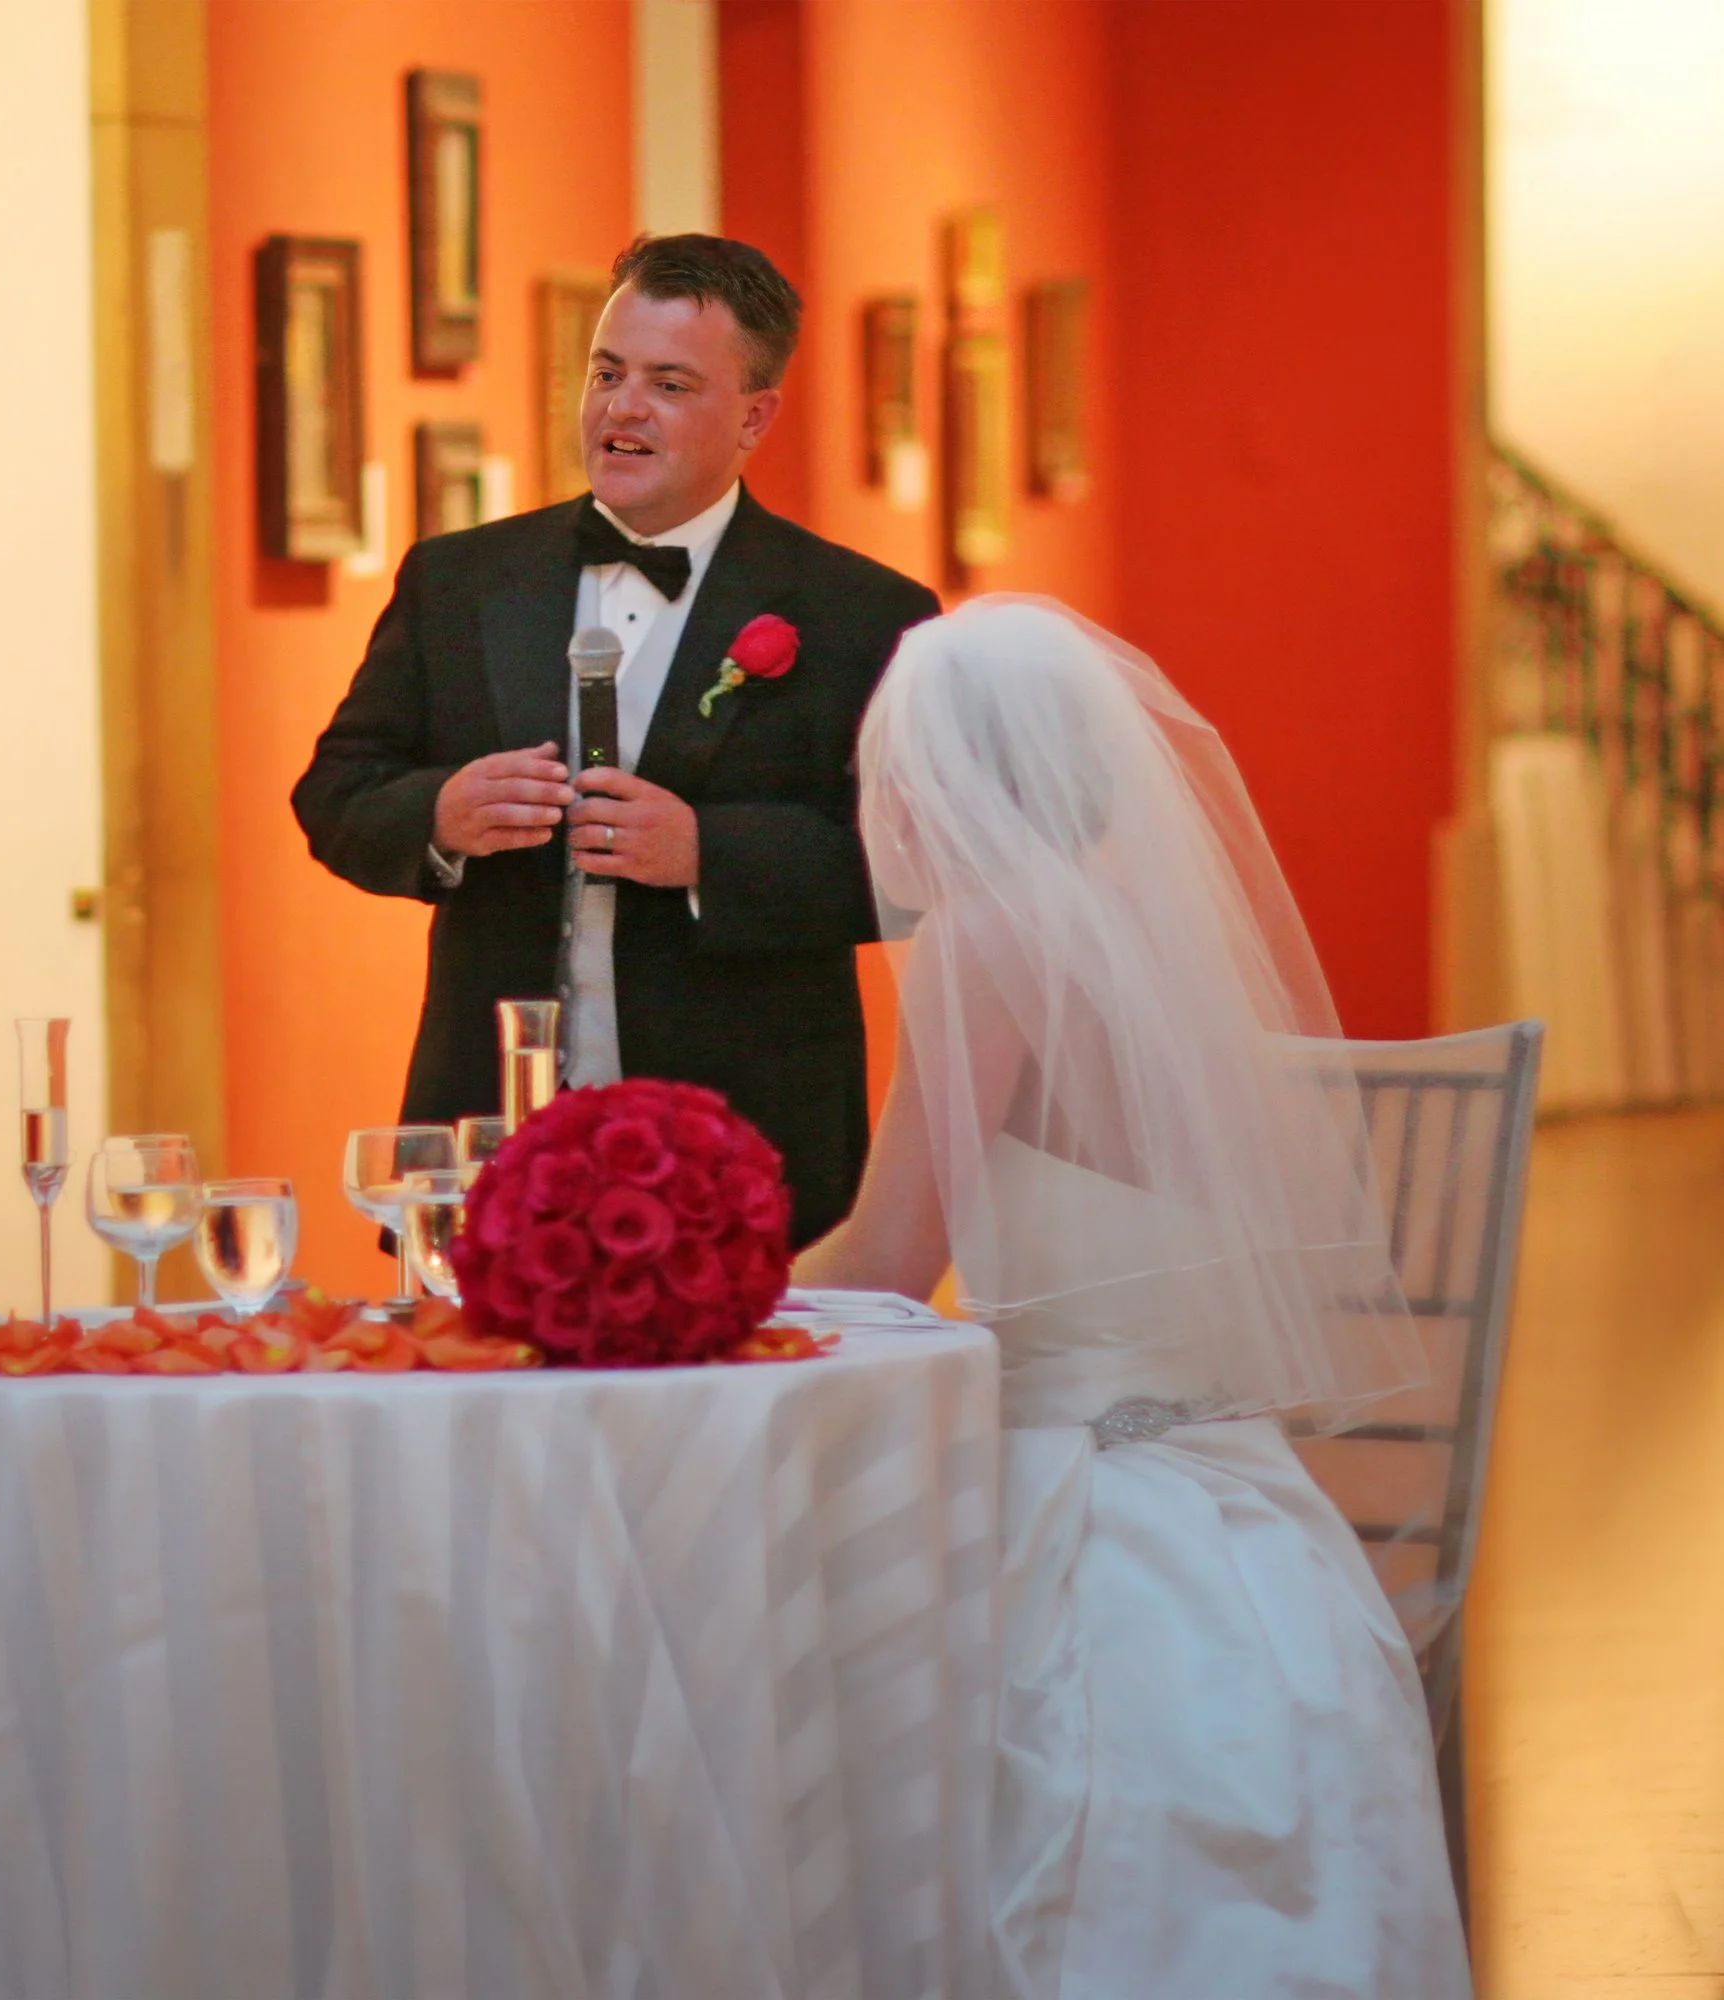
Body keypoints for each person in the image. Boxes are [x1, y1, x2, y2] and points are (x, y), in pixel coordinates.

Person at [795, 596, 1471, 1996]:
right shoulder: (1130, 927)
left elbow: (888, 1260)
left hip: (1081, 1503)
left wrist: (693, 1293)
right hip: (1237, 1492)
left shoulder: (981, 938)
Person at [292, 233, 939, 1246]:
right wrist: (442, 815)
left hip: (748, 1138)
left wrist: (707, 854)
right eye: (606, 373)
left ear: (754, 416)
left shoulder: (863, 613)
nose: (621, 409)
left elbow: (924, 863)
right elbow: (334, 793)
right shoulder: (459, 579)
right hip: (490, 1135)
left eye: (668, 384)